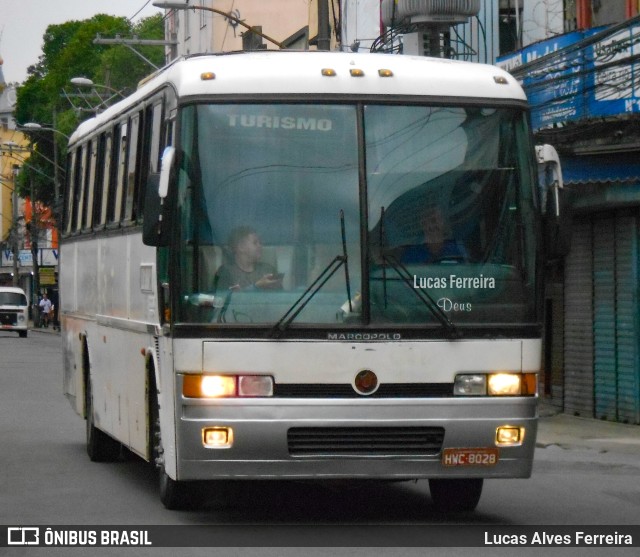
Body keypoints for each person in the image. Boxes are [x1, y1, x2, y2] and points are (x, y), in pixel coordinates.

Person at [214, 226, 283, 291]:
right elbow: (218, 300)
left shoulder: (268, 269)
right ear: (241, 247)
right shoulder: (224, 272)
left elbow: (281, 298)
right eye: (255, 243)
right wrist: (256, 287)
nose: (260, 246)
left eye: (260, 243)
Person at [400, 203, 468, 264]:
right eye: (430, 220)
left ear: (443, 221)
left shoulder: (457, 249)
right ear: (422, 224)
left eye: (436, 220)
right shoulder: (411, 254)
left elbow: (466, 273)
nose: (433, 225)